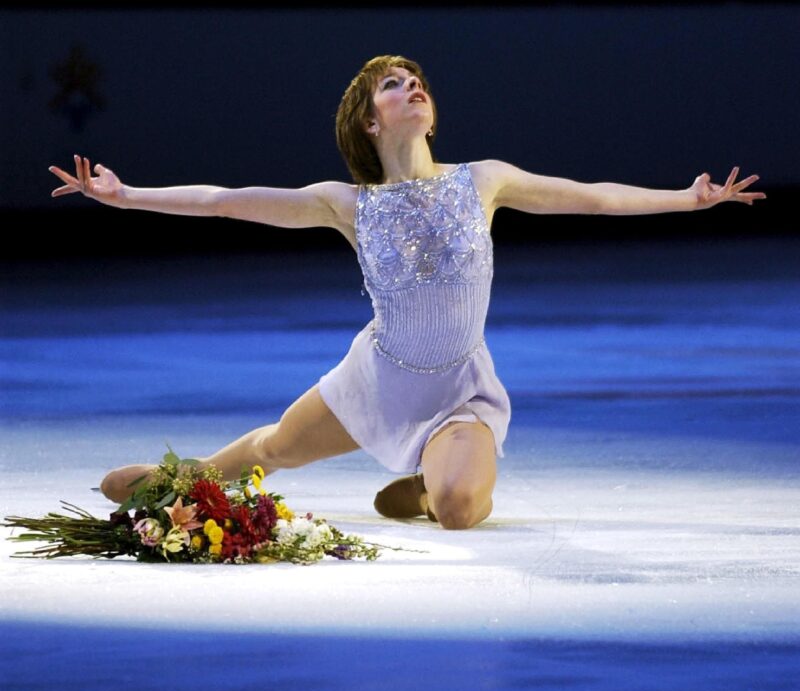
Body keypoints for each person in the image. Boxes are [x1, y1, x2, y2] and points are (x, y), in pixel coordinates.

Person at [48, 54, 766, 530]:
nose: (412, 85)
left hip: (458, 390)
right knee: (278, 446)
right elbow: (224, 201)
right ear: (370, 120)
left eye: (416, 79)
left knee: (457, 508)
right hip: (380, 377)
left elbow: (594, 197)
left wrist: (686, 198)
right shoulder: (348, 203)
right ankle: (185, 478)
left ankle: (425, 487)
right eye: (393, 84)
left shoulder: (482, 181)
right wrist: (127, 195)